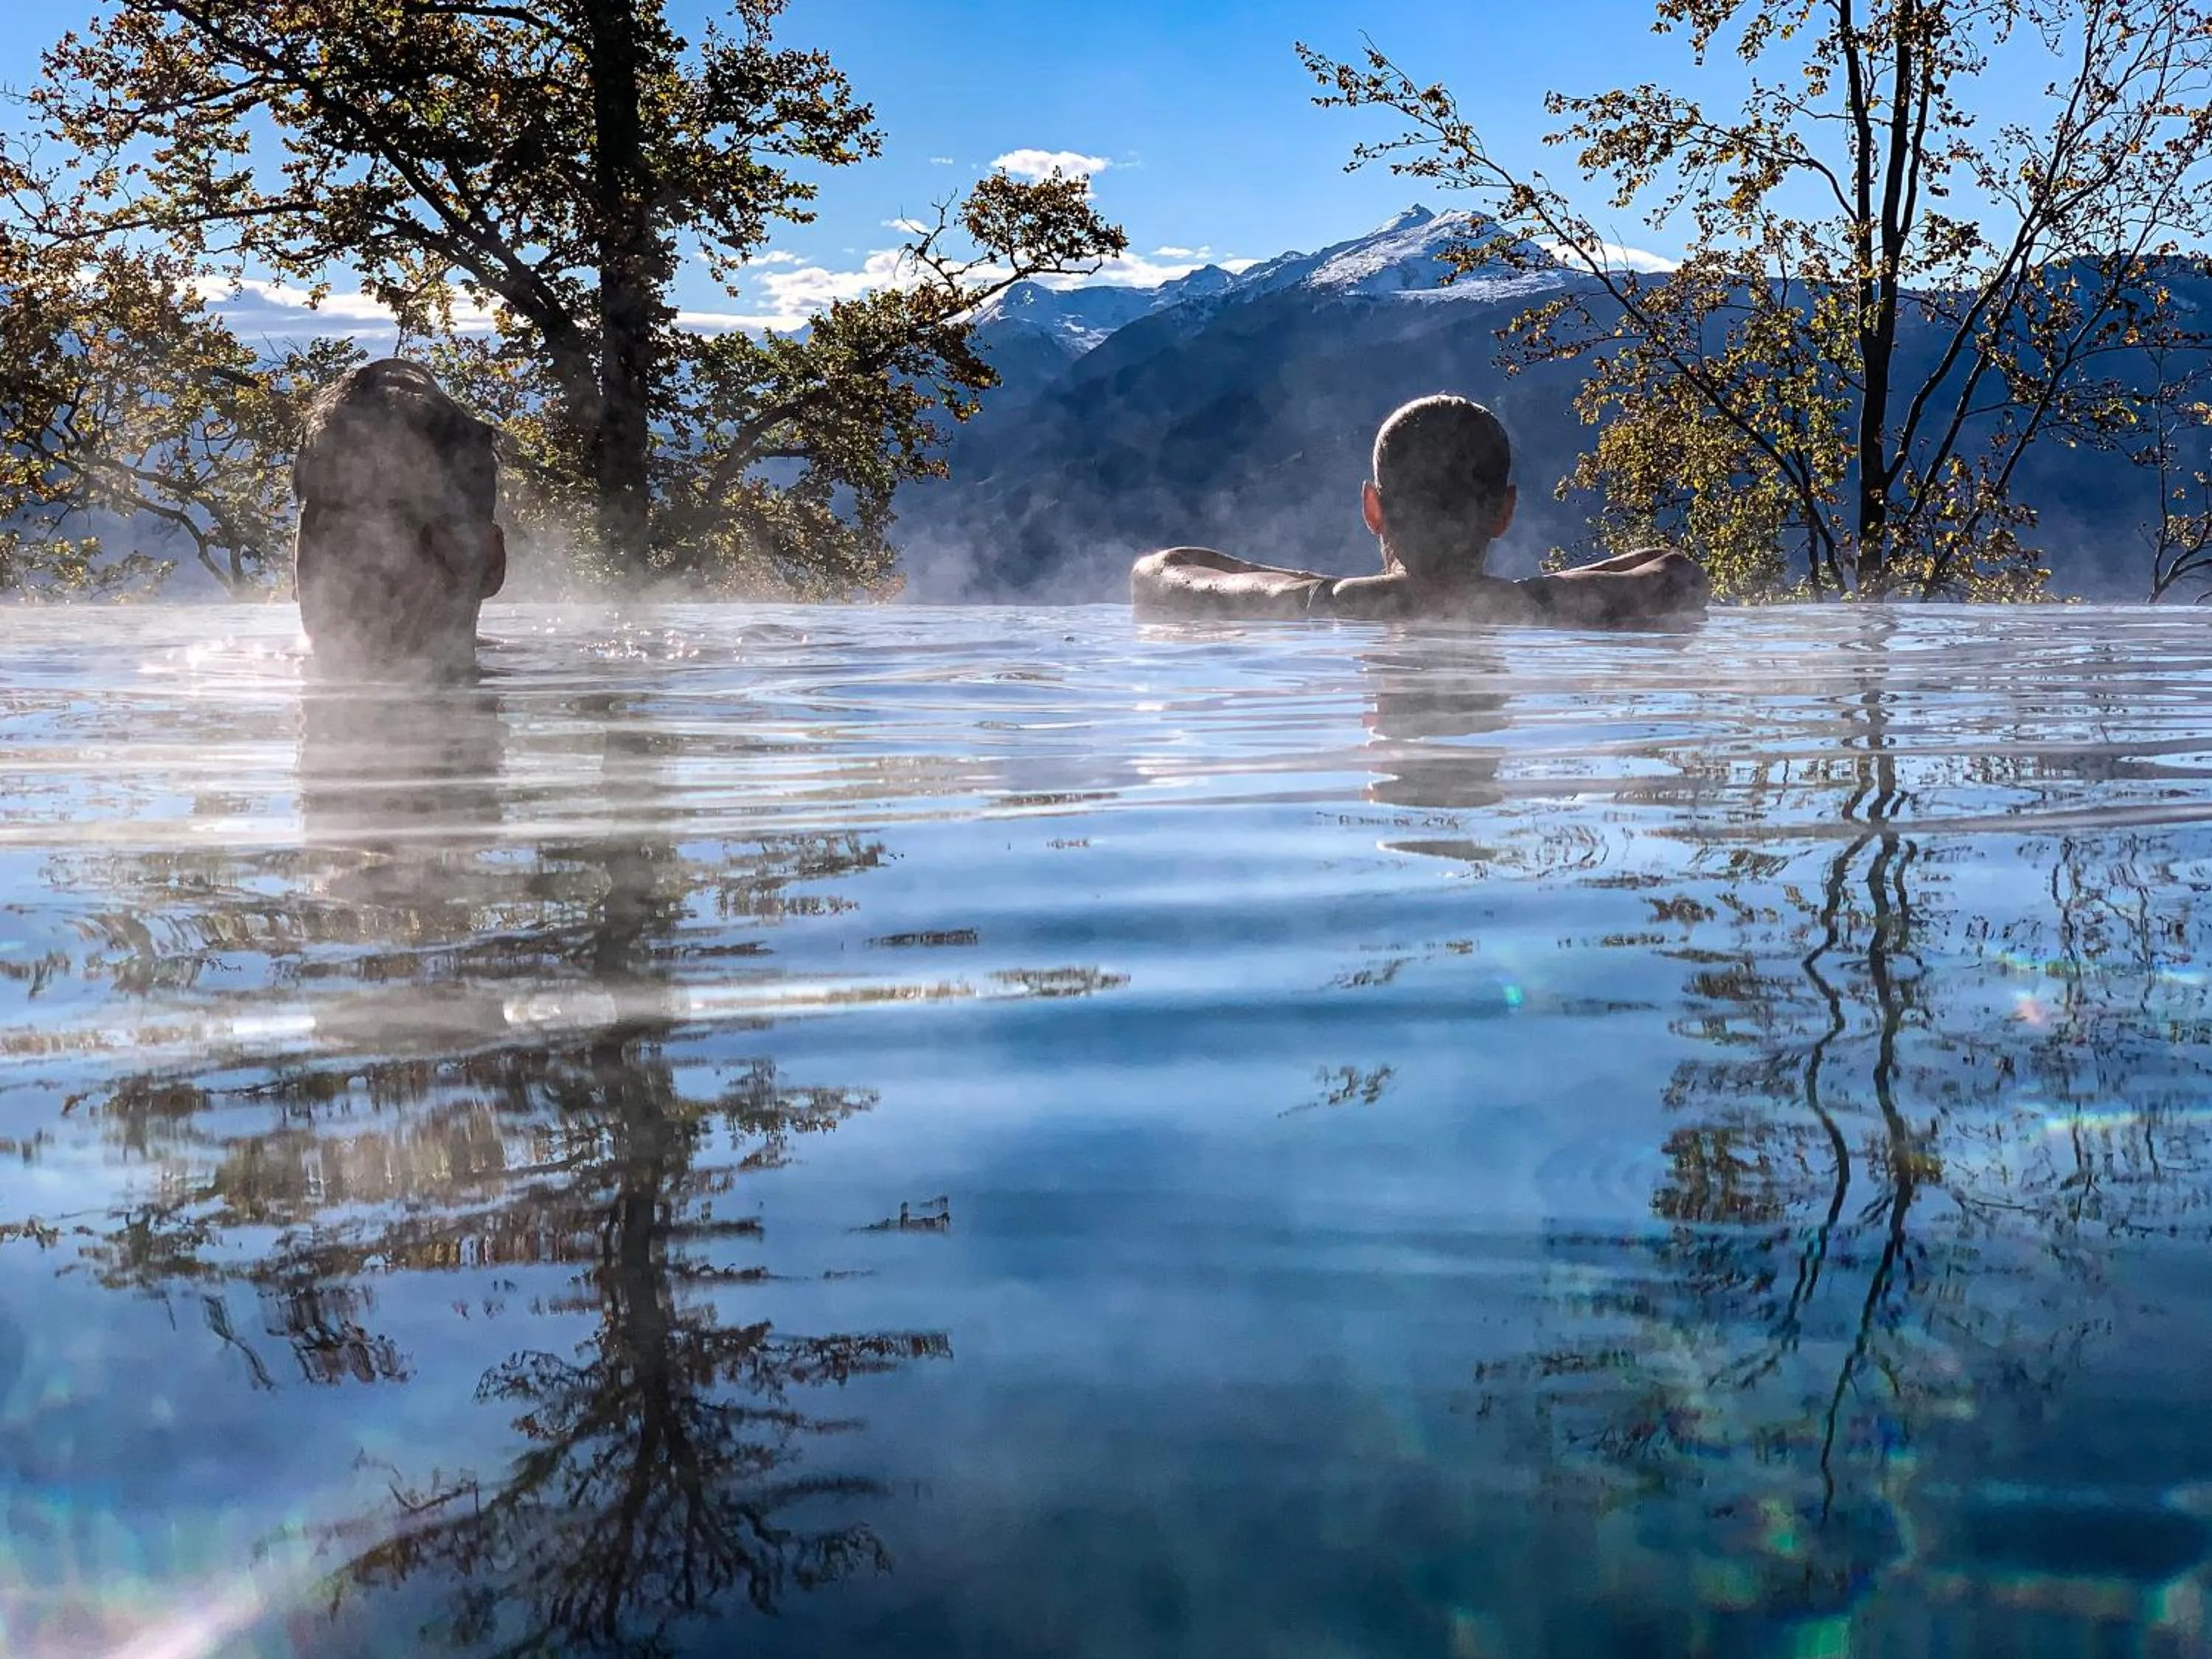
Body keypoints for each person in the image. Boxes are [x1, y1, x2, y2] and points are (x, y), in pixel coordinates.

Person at [1129, 394, 1708, 625]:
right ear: (1504, 512)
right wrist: (1537, 592)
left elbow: (1158, 573)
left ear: (1372, 509)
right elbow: (1676, 570)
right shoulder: (1541, 610)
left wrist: (1298, 584)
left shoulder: (1315, 607)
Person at [292, 358, 508, 677]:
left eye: (414, 518)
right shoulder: (229, 679)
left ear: (490, 563)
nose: (377, 561)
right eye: (334, 530)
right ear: (296, 563)